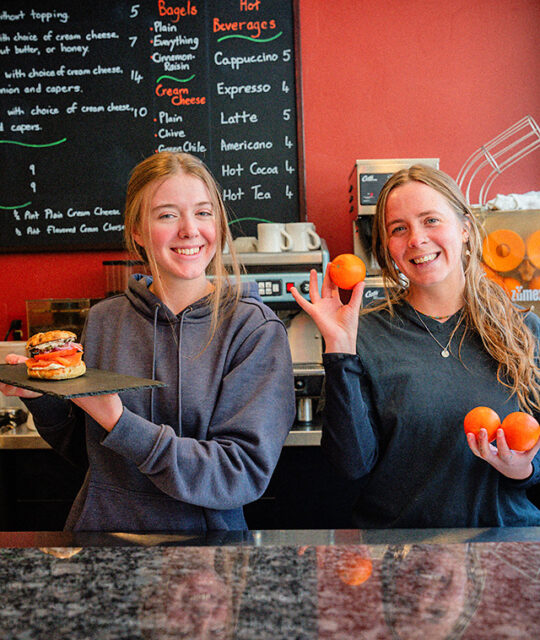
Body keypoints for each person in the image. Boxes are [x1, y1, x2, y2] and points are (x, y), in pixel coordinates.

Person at [1, 151, 295, 531]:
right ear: (137, 231)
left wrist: (121, 422)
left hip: (204, 557)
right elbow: (85, 449)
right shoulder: (105, 318)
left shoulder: (254, 329)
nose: (190, 230)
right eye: (168, 215)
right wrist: (42, 399)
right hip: (102, 538)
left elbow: (238, 474)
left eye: (203, 213)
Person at [291, 164, 540, 528]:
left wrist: (523, 468)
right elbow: (351, 465)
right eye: (399, 229)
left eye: (431, 220)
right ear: (388, 247)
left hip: (502, 544)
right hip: (400, 554)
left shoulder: (524, 330)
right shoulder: (366, 334)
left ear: (466, 228)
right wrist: (339, 349)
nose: (416, 239)